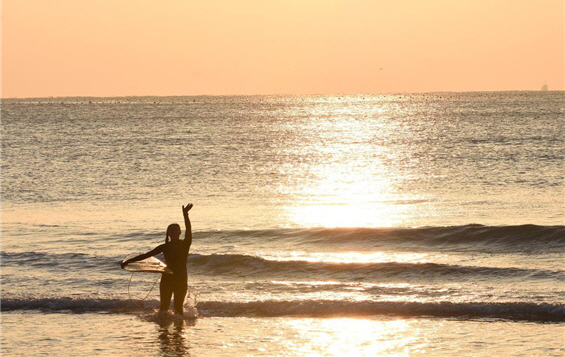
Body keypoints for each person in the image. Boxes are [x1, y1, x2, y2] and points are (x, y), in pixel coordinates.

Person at [121, 203, 193, 315]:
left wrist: (185, 215)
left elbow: (189, 230)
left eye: (176, 230)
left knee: (178, 308)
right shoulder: (165, 247)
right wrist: (130, 261)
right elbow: (147, 255)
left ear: (180, 232)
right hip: (167, 279)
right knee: (163, 308)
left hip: (181, 279)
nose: (173, 232)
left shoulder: (185, 244)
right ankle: (163, 330)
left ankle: (179, 330)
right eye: (171, 231)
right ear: (168, 233)